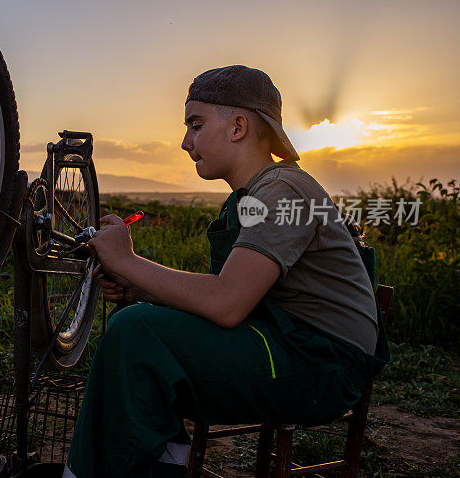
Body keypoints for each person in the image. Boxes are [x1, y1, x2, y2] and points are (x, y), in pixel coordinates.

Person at [62, 65, 389, 478]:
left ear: (237, 126)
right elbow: (225, 299)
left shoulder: (284, 190)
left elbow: (227, 303)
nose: (185, 142)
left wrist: (128, 261)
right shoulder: (247, 201)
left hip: (321, 362)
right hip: (284, 341)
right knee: (140, 325)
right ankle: (153, 465)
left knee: (136, 333)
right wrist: (140, 290)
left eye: (195, 125)